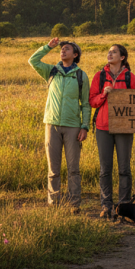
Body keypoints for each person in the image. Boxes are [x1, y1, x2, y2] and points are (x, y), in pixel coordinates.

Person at [29, 37, 91, 212]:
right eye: (62, 49)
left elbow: (86, 104)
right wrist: (47, 47)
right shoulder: (51, 71)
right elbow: (33, 61)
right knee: (53, 169)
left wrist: (84, 127)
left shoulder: (81, 76)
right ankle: (53, 204)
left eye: (67, 49)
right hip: (52, 124)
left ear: (75, 54)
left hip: (73, 127)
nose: (63, 50)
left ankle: (74, 204)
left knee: (73, 169)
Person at [89, 44, 135, 220]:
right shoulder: (100, 76)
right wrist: (104, 94)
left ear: (122, 57)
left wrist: (122, 96)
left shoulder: (130, 77)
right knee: (105, 169)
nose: (110, 54)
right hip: (103, 127)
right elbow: (92, 101)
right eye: (109, 52)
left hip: (124, 127)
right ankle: (106, 206)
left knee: (124, 168)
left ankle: (123, 206)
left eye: (114, 52)